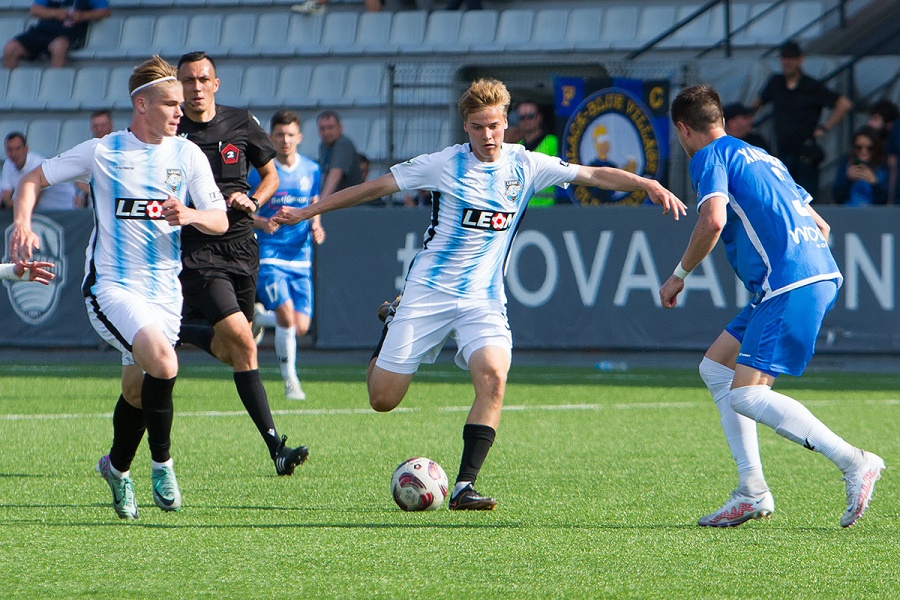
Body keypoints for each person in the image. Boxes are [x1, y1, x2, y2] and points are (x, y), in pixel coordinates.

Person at [273, 78, 686, 511]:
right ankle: (393, 322)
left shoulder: (526, 164)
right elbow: (373, 188)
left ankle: (464, 486)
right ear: (465, 127)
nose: (487, 135)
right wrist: (308, 211)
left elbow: (593, 173)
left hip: (483, 299)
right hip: (428, 292)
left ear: (506, 123)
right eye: (476, 127)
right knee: (383, 400)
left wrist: (647, 183)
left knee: (493, 377)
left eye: (493, 125)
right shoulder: (443, 164)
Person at [9, 55, 229, 520]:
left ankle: (116, 468)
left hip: (164, 293)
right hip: (112, 287)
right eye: (170, 103)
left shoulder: (187, 155)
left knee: (136, 391)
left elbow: (220, 219)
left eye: (180, 104)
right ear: (141, 104)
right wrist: (22, 223)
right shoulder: (102, 152)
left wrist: (191, 214)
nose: (180, 111)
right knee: (164, 363)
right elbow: (32, 179)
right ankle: (163, 465)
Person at [661, 84, 885, 528]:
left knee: (747, 393)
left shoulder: (709, 156)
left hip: (788, 283)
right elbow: (821, 225)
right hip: (804, 276)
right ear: (721, 120)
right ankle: (751, 490)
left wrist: (679, 274)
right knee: (716, 368)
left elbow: (713, 219)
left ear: (683, 129)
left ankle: (854, 461)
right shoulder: (764, 157)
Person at [175, 51, 309, 476]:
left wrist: (253, 200)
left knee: (233, 347)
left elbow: (270, 177)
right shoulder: (171, 129)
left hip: (242, 247)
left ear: (216, 84)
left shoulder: (240, 122)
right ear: (178, 86)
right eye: (188, 80)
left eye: (203, 79)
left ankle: (180, 330)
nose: (196, 87)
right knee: (246, 344)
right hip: (197, 250)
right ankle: (276, 449)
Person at [249, 109, 325, 401]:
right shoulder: (260, 174)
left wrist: (316, 225)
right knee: (286, 315)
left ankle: (260, 318)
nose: (285, 140)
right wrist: (262, 223)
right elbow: (244, 211)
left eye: (290, 134)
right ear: (271, 137)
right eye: (280, 134)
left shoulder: (311, 169)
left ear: (299, 137)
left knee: (300, 326)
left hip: (300, 257)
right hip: (270, 255)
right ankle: (291, 381)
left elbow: (314, 203)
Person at [753, 40, 853, 198]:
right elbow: (757, 102)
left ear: (800, 60)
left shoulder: (810, 86)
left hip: (805, 157)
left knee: (805, 202)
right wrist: (746, 120)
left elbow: (844, 104)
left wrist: (825, 128)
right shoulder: (776, 82)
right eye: (784, 57)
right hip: (782, 155)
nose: (787, 62)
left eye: (791, 58)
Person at [2, 0, 111, 69]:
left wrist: (82, 16)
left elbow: (104, 11)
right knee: (10, 48)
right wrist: (56, 13)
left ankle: (54, 87)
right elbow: (35, 10)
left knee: (58, 47)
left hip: (69, 32)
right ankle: (11, 89)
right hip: (42, 30)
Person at [1, 132, 78, 211]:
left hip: (68, 209)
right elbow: (5, 195)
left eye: (17, 149)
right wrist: (5, 202)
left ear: (26, 149)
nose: (13, 153)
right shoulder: (8, 164)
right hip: (45, 213)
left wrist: (7, 203)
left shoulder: (38, 164)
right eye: (9, 150)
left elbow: (30, 203)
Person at [514, 101, 559, 206]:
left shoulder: (554, 142)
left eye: (530, 116)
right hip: (524, 209)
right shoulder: (516, 149)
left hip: (550, 206)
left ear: (539, 118)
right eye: (522, 117)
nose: (526, 120)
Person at [832, 126, 889, 206]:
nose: (864, 152)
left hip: (872, 212)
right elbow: (837, 198)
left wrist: (874, 184)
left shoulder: (883, 167)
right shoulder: (846, 164)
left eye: (870, 148)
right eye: (859, 147)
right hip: (848, 210)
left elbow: (884, 201)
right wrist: (848, 180)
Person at [316, 110, 363, 200]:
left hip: (350, 202)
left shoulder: (343, 144)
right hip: (337, 200)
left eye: (330, 127)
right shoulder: (323, 145)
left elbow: (335, 175)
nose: (326, 132)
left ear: (340, 127)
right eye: (322, 129)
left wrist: (320, 203)